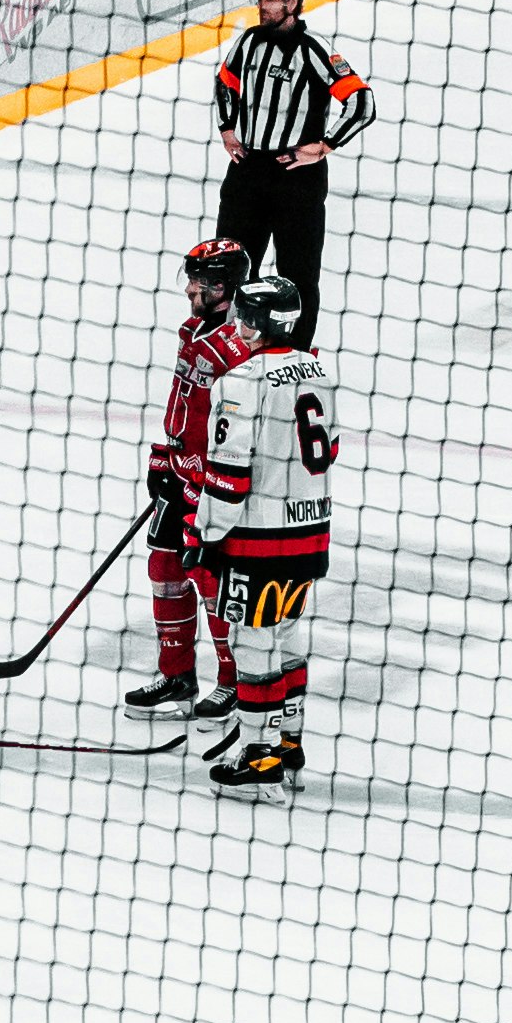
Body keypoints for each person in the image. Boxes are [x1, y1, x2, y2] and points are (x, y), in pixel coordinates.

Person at [196, 273, 337, 799]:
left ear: (253, 322)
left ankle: (258, 758)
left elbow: (229, 480)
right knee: (286, 636)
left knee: (252, 644)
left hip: (258, 541)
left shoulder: (240, 382)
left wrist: (205, 535)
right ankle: (289, 744)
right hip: (310, 534)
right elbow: (330, 449)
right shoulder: (319, 371)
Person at [124, 236, 262, 726]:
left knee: (213, 583)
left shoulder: (240, 347)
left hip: (214, 489)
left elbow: (242, 429)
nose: (188, 290)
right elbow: (183, 406)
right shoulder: (193, 331)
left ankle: (233, 682)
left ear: (223, 288)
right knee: (164, 571)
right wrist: (164, 458)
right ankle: (178, 676)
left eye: (198, 283)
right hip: (181, 476)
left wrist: (217, 483)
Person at [211, 0, 371, 341]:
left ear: (292, 2)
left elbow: (362, 103)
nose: (262, 6)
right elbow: (225, 82)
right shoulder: (249, 40)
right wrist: (228, 129)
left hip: (297, 179)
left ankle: (296, 354)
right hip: (248, 172)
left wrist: (325, 145)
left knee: (298, 274)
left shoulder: (315, 50)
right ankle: (228, 345)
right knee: (229, 265)